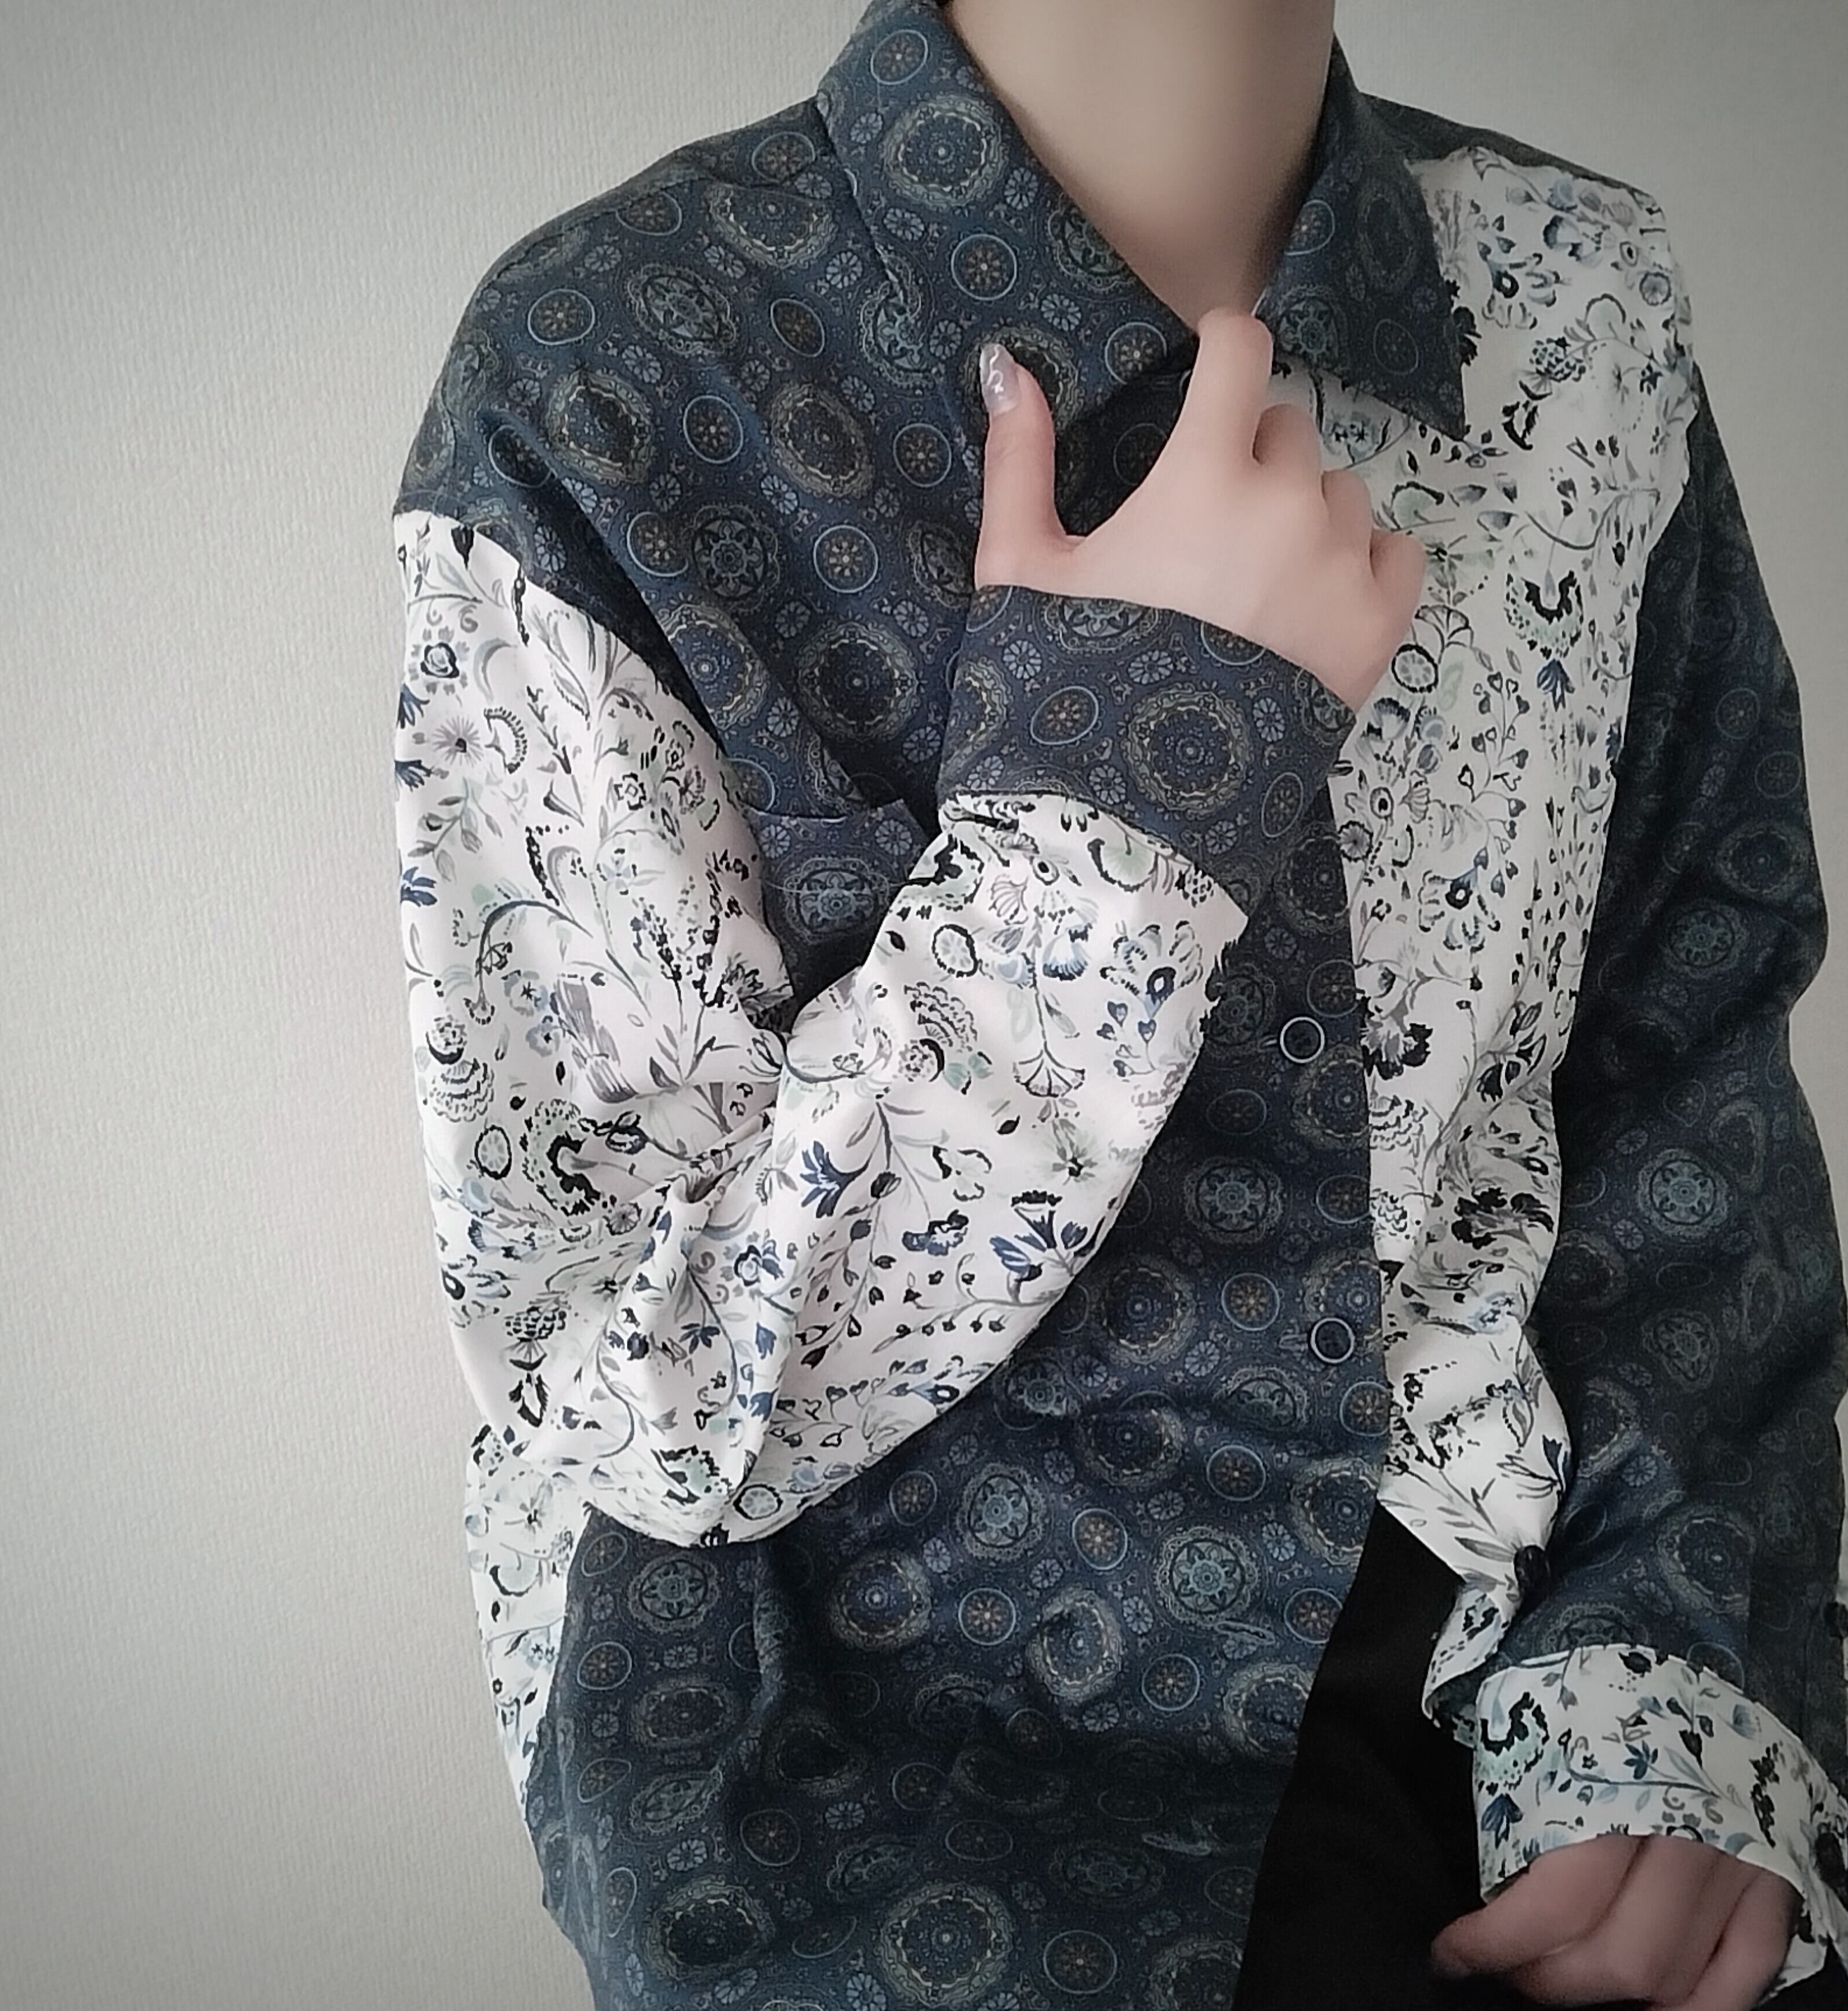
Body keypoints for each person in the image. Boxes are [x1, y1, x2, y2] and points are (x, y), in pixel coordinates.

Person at [387, 1, 1848, 2004]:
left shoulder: (1575, 301)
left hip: (1508, 1639)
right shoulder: (606, 370)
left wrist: (1677, 1669)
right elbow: (618, 1389)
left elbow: (1682, 1049)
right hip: (858, 1745)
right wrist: (1123, 794)